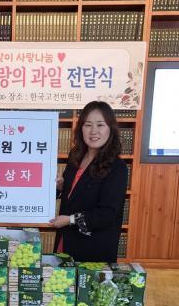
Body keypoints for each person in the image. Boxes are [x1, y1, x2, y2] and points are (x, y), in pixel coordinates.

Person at [50, 100, 128, 263]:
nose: (93, 131)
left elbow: (107, 213)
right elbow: (75, 193)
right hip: (66, 239)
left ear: (110, 129)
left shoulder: (117, 167)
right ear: (81, 128)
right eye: (88, 125)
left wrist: (70, 220)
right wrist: (62, 187)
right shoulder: (75, 156)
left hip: (93, 247)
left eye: (100, 125)